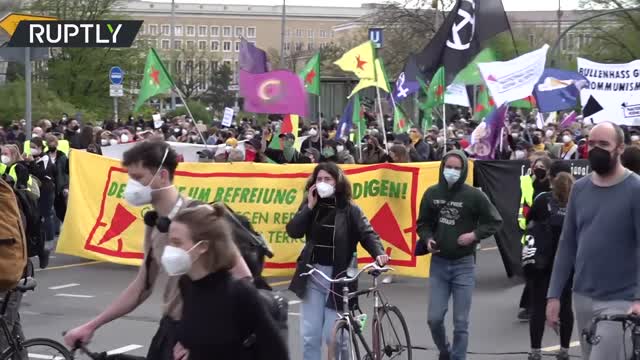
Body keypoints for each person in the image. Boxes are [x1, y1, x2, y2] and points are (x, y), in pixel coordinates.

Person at [63, 139, 252, 359]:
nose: (131, 186)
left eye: (138, 178)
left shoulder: (201, 216)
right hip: (170, 332)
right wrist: (91, 325)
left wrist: (205, 337)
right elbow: (141, 287)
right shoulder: (155, 225)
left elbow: (243, 280)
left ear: (162, 175)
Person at [547, 122, 640, 360]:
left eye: (603, 144)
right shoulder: (579, 188)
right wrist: (554, 295)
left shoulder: (635, 189)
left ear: (620, 148)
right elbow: (567, 244)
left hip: (621, 300)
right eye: (591, 143)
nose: (595, 149)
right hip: (583, 296)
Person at [286, 162, 388, 360]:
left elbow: (367, 234)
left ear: (337, 182)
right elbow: (293, 231)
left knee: (334, 338)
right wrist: (308, 207)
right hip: (313, 275)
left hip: (340, 278)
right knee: (310, 335)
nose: (322, 183)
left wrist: (379, 253)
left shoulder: (350, 210)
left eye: (327, 179)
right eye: (319, 179)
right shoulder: (310, 206)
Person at [167, 204, 289, 360]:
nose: (170, 249)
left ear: (203, 246)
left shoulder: (239, 293)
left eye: (177, 243)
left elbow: (276, 352)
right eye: (169, 242)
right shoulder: (186, 284)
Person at [417, 150, 502, 360]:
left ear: (464, 170)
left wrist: (474, 235)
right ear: (442, 167)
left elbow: (495, 221)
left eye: (457, 168)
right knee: (434, 319)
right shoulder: (432, 193)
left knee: (461, 322)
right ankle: (445, 351)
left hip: (464, 264)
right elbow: (423, 224)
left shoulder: (474, 195)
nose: (452, 171)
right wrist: (428, 239)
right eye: (449, 167)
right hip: (439, 263)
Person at [523, 162, 575, 360]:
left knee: (538, 306)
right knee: (566, 306)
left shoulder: (543, 199)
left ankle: (535, 351)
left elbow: (529, 223)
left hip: (542, 262)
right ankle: (564, 350)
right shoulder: (576, 201)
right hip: (568, 263)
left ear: (550, 177)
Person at [516, 154, 552, 321]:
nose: (537, 169)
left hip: (549, 232)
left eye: (541, 167)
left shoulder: (553, 186)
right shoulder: (528, 183)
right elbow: (525, 205)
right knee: (533, 269)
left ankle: (536, 306)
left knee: (543, 271)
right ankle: (531, 305)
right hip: (532, 231)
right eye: (535, 166)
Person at [44, 134, 70, 223]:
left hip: (60, 186)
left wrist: (66, 187)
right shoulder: (45, 156)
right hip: (49, 186)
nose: (52, 145)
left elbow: (66, 173)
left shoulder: (62, 157)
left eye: (53, 143)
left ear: (56, 144)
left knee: (61, 208)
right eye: (50, 143)